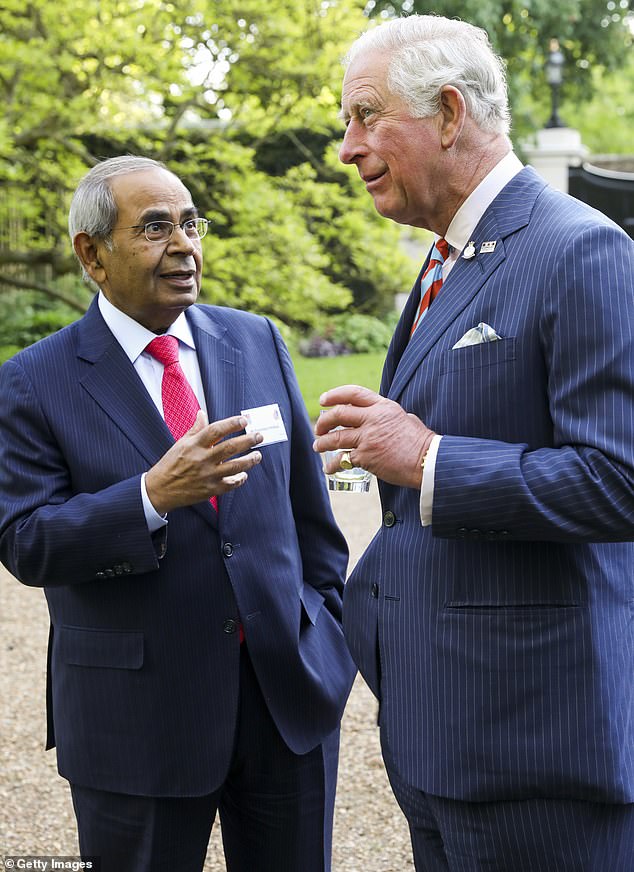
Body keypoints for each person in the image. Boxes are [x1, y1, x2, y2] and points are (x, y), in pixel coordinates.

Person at [313, 14, 634, 871]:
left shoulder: (582, 250)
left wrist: (425, 458)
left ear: (449, 113)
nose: (348, 147)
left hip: (535, 754)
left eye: (366, 116)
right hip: (442, 741)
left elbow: (619, 482)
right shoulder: (443, 258)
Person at [0, 155, 356, 872]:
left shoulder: (255, 339)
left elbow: (310, 518)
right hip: (137, 719)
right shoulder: (33, 381)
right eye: (156, 227)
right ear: (91, 254)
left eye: (191, 224)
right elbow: (26, 541)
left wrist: (325, 631)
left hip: (285, 702)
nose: (185, 246)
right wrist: (150, 498)